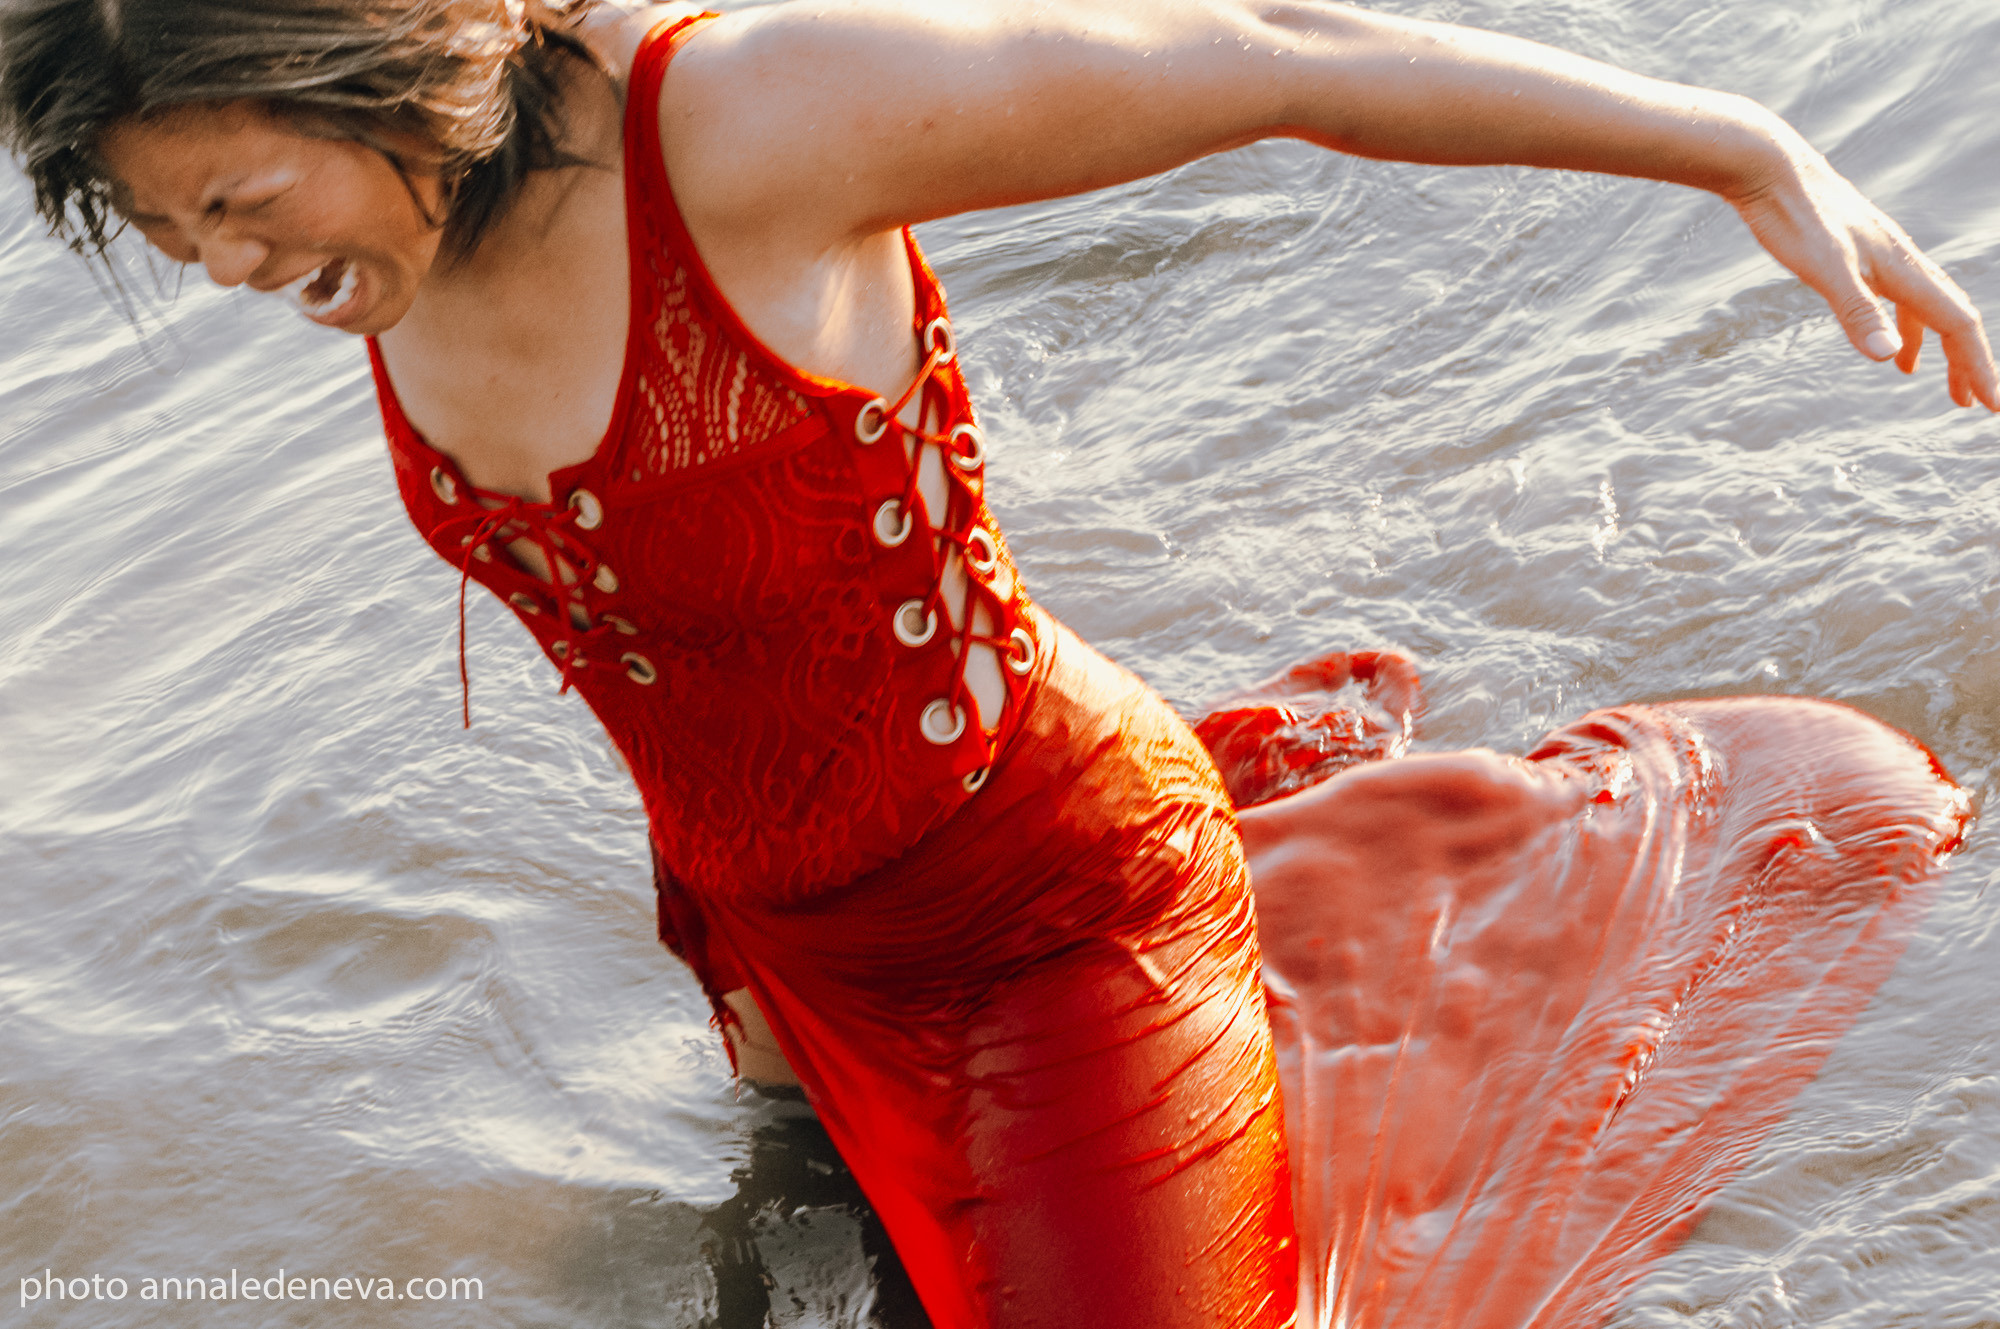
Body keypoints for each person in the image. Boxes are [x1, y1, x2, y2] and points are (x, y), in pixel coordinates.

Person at [1, 1, 1991, 1325]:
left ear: (383, 82)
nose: (237, 276)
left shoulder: (741, 128)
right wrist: (749, 976)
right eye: (179, 241)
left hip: (1053, 921)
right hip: (771, 949)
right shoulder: (393, 236)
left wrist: (1734, 143)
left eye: (245, 207)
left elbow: (1261, 53)